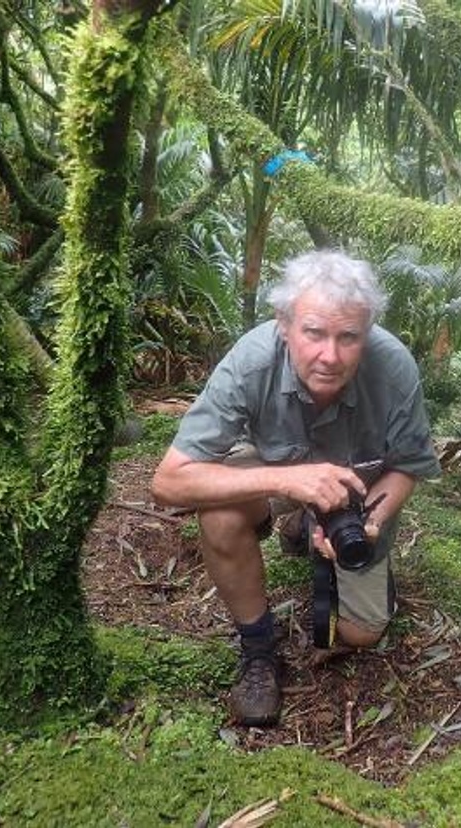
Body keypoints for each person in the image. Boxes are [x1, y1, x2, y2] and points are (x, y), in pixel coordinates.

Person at [151, 249, 441, 727]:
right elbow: (168, 481)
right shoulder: (251, 362)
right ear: (285, 326)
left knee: (360, 634)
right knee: (220, 516)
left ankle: (315, 528)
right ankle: (259, 651)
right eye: (314, 333)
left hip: (356, 492)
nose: (330, 355)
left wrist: (369, 523)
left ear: (366, 334)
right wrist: (288, 480)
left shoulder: (393, 368)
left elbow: (407, 466)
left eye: (349, 336)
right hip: (275, 467)